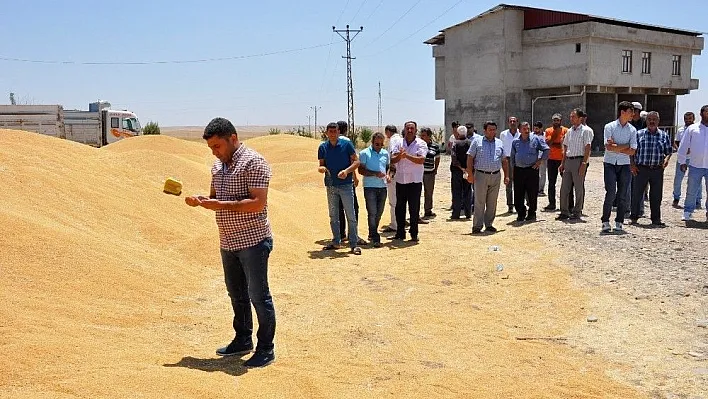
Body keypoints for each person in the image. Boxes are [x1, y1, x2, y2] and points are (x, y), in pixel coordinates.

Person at [185, 117, 276, 368]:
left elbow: (258, 202)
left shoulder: (253, 162)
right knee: (236, 294)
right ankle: (243, 339)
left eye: (217, 146)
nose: (215, 152)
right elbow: (216, 198)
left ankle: (266, 348)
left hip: (253, 240)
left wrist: (219, 204)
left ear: (232, 139)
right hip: (227, 241)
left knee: (258, 295)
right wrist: (201, 200)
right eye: (211, 148)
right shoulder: (218, 167)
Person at [318, 122, 362, 255]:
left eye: (334, 131)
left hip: (346, 185)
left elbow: (356, 162)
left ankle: (353, 243)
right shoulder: (323, 147)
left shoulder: (346, 145)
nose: (332, 133)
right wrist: (322, 168)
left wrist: (347, 171)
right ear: (326, 133)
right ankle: (336, 241)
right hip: (331, 185)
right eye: (330, 131)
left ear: (338, 132)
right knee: (333, 215)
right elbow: (321, 164)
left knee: (351, 214)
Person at [466, 121, 510, 234]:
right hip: (481, 175)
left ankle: (489, 224)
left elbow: (504, 160)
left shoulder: (499, 142)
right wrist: (470, 174)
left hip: (496, 175)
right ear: (485, 130)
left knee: (492, 202)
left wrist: (506, 176)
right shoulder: (477, 141)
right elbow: (470, 158)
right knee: (479, 201)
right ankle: (477, 226)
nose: (493, 132)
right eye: (490, 130)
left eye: (494, 129)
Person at [630, 111, 672, 226]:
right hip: (641, 169)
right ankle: (634, 217)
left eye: (654, 119)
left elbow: (669, 151)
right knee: (637, 194)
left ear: (658, 121)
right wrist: (632, 165)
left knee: (656, 195)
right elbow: (632, 152)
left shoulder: (664, 135)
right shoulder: (639, 134)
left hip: (657, 170)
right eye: (649, 119)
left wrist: (667, 160)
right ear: (646, 121)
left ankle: (656, 219)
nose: (652, 121)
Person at [601, 101, 637, 233]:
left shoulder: (632, 130)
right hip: (610, 163)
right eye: (630, 112)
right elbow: (608, 147)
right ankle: (605, 221)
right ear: (623, 112)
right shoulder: (609, 127)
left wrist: (617, 147)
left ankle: (619, 221)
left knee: (623, 194)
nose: (632, 115)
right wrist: (625, 146)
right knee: (610, 192)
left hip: (625, 164)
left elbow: (633, 150)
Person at [390, 121, 428, 242]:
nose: (410, 130)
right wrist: (399, 157)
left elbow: (421, 160)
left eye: (412, 128)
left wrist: (406, 156)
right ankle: (400, 232)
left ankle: (414, 233)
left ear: (416, 130)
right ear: (404, 130)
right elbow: (393, 159)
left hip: (415, 180)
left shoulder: (421, 143)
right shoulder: (398, 142)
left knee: (414, 208)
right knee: (399, 207)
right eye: (408, 128)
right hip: (401, 180)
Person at [557, 109, 593, 220]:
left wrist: (584, 163)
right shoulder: (569, 131)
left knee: (578, 187)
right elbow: (566, 147)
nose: (571, 118)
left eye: (573, 116)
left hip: (579, 160)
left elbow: (587, 147)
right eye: (571, 116)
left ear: (580, 118)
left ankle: (577, 211)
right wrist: (562, 163)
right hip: (568, 160)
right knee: (564, 188)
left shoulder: (586, 131)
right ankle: (564, 211)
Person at [510, 122, 549, 221]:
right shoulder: (515, 142)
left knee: (532, 193)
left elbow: (546, 149)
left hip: (532, 170)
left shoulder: (535, 139)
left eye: (528, 129)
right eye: (524, 129)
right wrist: (512, 171)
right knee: (518, 193)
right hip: (519, 170)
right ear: (519, 130)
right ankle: (521, 213)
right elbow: (512, 158)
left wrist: (539, 161)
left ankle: (532, 213)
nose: (527, 131)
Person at [335, 121, 366, 245]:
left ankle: (341, 234)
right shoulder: (347, 142)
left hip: (335, 180)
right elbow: (352, 161)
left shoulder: (332, 142)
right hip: (347, 178)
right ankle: (353, 234)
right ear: (346, 129)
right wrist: (355, 176)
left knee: (339, 208)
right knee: (353, 208)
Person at [358, 132, 390, 247]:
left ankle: (373, 232)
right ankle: (374, 235)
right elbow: (360, 170)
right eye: (377, 144)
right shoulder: (364, 153)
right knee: (372, 212)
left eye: (381, 144)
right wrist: (374, 174)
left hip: (383, 186)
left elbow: (388, 168)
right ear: (372, 142)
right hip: (370, 186)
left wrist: (389, 175)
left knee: (379, 212)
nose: (379, 146)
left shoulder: (385, 153)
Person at [677, 105, 708, 222]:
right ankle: (688, 211)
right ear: (701, 114)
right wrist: (682, 161)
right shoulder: (693, 129)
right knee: (691, 189)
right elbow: (683, 145)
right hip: (695, 165)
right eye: (707, 112)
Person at [673, 111, 703, 208]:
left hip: (694, 159)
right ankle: (676, 198)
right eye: (686, 119)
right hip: (682, 158)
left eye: (690, 119)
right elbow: (676, 142)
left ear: (693, 119)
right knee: (678, 179)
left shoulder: (698, 129)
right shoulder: (681, 130)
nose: (688, 120)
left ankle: (697, 200)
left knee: (696, 179)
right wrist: (681, 150)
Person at [544, 113, 568, 211]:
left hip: (563, 160)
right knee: (551, 182)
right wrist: (555, 137)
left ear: (561, 121)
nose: (556, 122)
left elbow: (565, 145)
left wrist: (555, 144)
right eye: (554, 120)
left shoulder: (566, 130)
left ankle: (567, 204)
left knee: (567, 182)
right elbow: (548, 144)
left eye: (557, 120)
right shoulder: (548, 131)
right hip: (551, 159)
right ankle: (551, 203)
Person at [381, 125, 402, 233]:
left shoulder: (393, 140)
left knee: (393, 201)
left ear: (388, 132)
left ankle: (395, 224)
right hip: (402, 175)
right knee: (401, 199)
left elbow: (393, 157)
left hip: (394, 174)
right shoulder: (402, 139)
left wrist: (390, 173)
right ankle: (400, 221)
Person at [450, 125, 472, 219]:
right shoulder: (470, 143)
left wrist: (461, 167)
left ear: (458, 134)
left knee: (456, 192)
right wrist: (467, 168)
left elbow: (454, 158)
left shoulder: (455, 143)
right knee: (467, 191)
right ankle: (468, 213)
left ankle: (456, 214)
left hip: (457, 171)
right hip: (468, 170)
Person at [420, 127, 442, 220]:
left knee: (429, 192)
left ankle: (428, 210)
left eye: (424, 135)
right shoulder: (418, 145)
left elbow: (437, 158)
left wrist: (435, 169)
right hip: (418, 173)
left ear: (429, 136)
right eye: (421, 135)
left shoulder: (435, 146)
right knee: (416, 193)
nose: (422, 137)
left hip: (430, 172)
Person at [500, 116, 520, 214]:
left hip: (518, 160)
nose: (512, 123)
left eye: (514, 121)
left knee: (519, 183)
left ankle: (519, 204)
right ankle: (510, 205)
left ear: (517, 122)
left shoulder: (520, 134)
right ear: (508, 123)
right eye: (510, 121)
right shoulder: (503, 134)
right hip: (507, 160)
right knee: (508, 182)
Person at [533, 121, 548, 197]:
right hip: (534, 158)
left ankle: (541, 189)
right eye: (534, 128)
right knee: (534, 173)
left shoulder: (545, 135)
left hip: (542, 158)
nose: (535, 130)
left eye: (537, 128)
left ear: (541, 129)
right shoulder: (531, 135)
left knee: (542, 174)